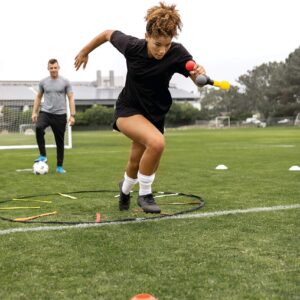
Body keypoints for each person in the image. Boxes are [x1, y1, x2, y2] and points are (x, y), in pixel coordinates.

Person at [74, 2, 205, 212]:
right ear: (146, 36)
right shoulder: (132, 46)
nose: (162, 50)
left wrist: (199, 74)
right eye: (157, 44)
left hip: (155, 113)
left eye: (166, 45)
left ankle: (125, 190)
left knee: (138, 160)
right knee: (157, 143)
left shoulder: (177, 52)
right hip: (129, 109)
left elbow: (193, 72)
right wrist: (85, 51)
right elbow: (108, 33)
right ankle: (145, 195)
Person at [32, 58, 76, 174]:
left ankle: (59, 166)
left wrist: (72, 115)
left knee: (59, 141)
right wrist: (34, 112)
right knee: (38, 127)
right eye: (51, 68)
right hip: (46, 112)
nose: (53, 70)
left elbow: (71, 97)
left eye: (55, 67)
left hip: (60, 115)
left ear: (58, 68)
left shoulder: (65, 82)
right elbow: (38, 97)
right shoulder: (43, 82)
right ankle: (43, 155)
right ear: (48, 69)